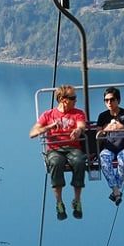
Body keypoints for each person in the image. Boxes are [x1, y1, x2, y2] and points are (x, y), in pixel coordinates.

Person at [29, 84, 88, 220]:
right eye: (73, 98)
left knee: (79, 162)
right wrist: (49, 126)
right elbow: (33, 133)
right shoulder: (48, 115)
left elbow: (81, 125)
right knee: (55, 163)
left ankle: (77, 200)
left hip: (73, 147)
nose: (76, 100)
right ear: (63, 99)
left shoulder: (78, 113)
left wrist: (78, 130)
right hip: (55, 148)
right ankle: (59, 202)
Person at [96, 87, 124, 206]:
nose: (109, 102)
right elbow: (98, 136)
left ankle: (115, 190)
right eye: (106, 100)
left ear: (118, 100)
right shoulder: (103, 116)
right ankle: (116, 191)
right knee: (104, 158)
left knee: (123, 158)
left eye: (112, 99)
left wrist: (122, 127)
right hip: (110, 146)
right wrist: (106, 129)